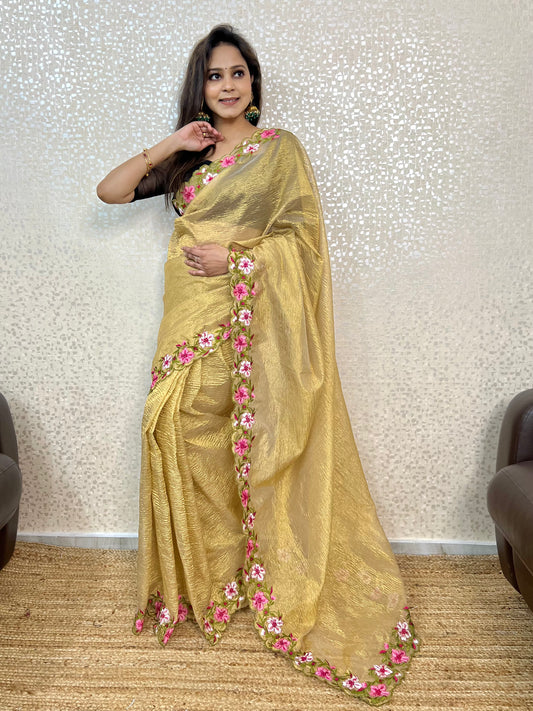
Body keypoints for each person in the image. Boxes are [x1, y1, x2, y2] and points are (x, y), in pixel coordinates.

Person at [97, 24, 419, 704]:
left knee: (245, 441)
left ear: (254, 82)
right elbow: (110, 190)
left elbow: (302, 243)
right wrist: (172, 143)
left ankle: (254, 571)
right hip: (186, 319)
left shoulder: (279, 152)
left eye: (237, 73)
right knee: (177, 432)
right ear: (200, 86)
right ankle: (209, 578)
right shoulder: (189, 159)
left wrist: (237, 259)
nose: (227, 85)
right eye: (214, 75)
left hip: (243, 320)